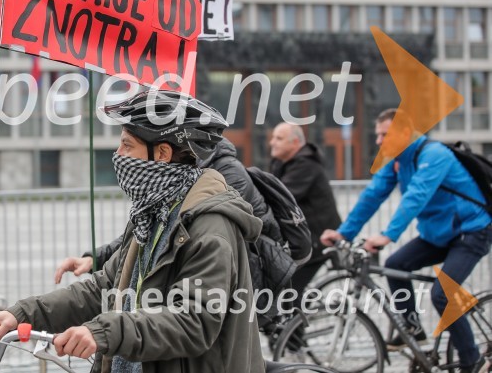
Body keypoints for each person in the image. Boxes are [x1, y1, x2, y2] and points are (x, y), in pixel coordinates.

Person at [0, 90, 265, 372]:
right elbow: (103, 288)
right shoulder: (152, 212)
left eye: (127, 146)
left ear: (162, 153)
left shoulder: (210, 226)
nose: (118, 155)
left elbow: (194, 322)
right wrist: (20, 314)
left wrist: (104, 332)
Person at [321, 108, 492, 373]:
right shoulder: (397, 160)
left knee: (443, 294)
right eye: (378, 135)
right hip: (439, 235)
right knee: (395, 265)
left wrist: (388, 235)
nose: (378, 140)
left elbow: (416, 196)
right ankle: (413, 328)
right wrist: (344, 233)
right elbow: (372, 195)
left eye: (384, 134)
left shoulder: (435, 155)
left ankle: (473, 361)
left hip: (471, 232)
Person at [54, 136, 280, 284]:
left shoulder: (221, 176)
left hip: (249, 275)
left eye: (127, 145)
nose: (119, 154)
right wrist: (95, 257)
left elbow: (179, 231)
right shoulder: (174, 184)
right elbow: (145, 233)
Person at [269, 122, 341, 298]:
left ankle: (297, 316)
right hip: (302, 237)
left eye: (279, 138)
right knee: (284, 285)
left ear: (295, 142)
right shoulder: (281, 162)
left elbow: (280, 197)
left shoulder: (306, 165)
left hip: (318, 239)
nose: (272, 142)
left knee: (290, 290)